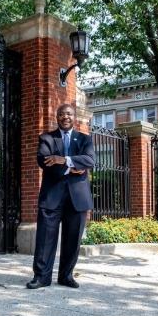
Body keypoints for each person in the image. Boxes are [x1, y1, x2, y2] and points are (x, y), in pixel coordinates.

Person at [27, 103, 95, 290]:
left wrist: (63, 159)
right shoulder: (47, 138)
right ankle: (41, 277)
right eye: (62, 114)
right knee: (45, 238)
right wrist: (74, 167)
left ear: (74, 117)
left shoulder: (84, 139)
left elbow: (90, 160)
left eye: (69, 114)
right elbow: (44, 161)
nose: (66, 117)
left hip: (78, 197)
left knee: (73, 240)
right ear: (57, 117)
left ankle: (66, 276)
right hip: (52, 196)